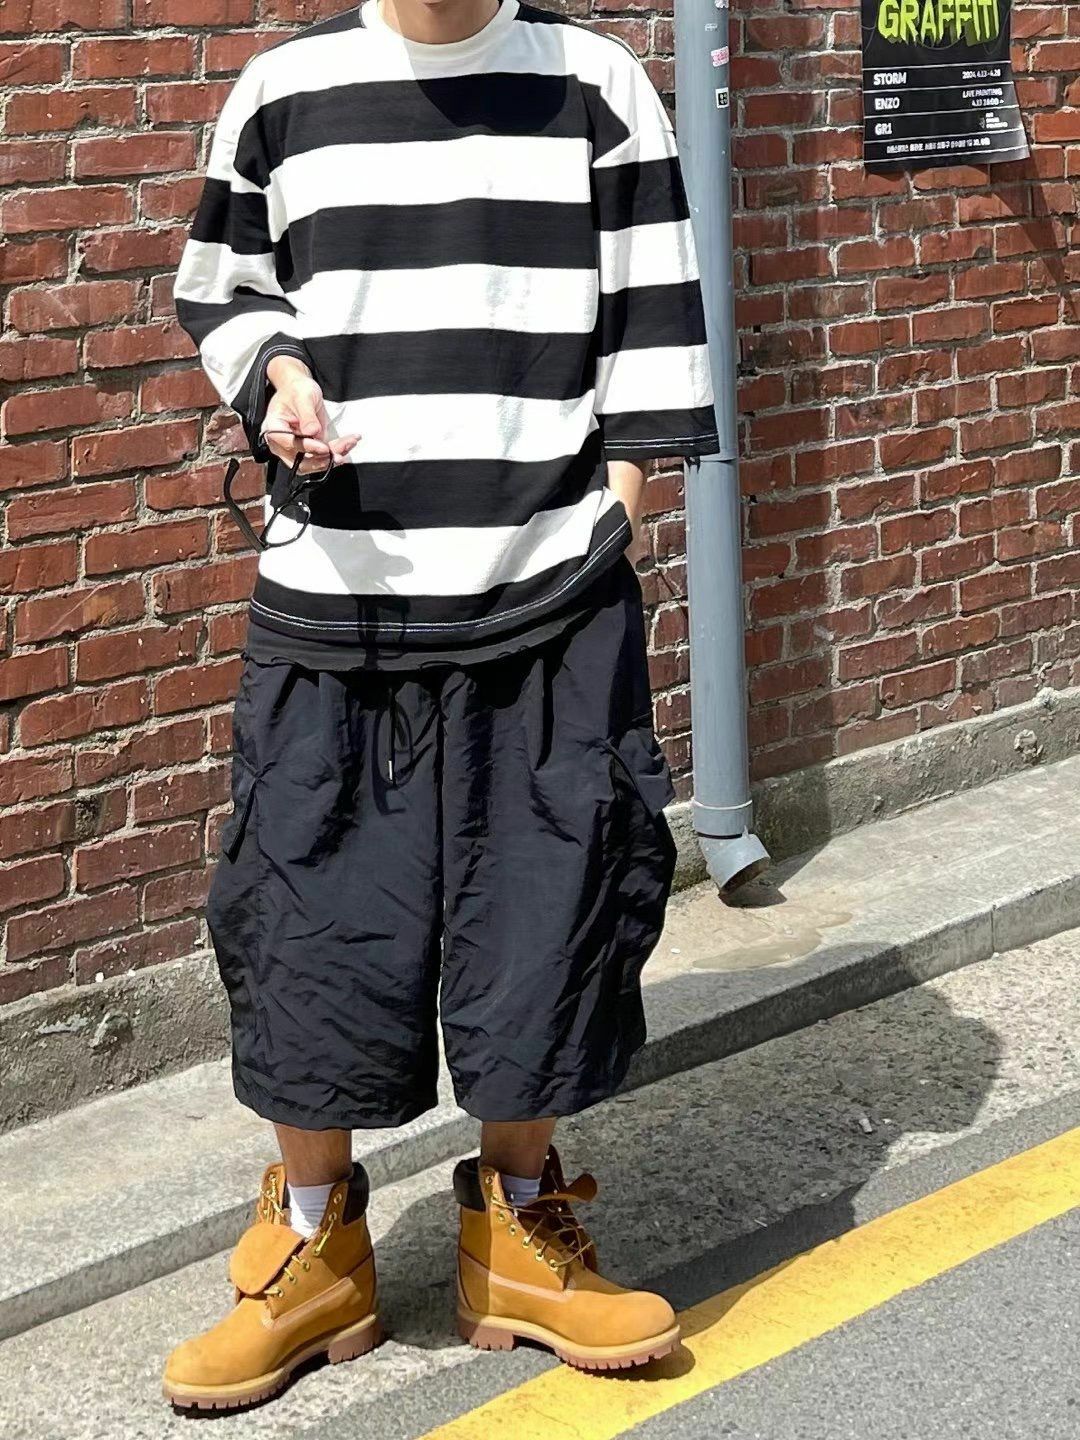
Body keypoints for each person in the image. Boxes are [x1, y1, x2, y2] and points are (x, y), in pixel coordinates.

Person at [165, 0, 717, 1410]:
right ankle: (312, 1250)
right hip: (334, 594)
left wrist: (617, 517)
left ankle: (516, 1234)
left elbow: (655, 321)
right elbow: (225, 289)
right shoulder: (284, 90)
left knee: (550, 913)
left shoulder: (595, 82)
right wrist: (279, 377)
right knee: (303, 918)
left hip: (549, 592)